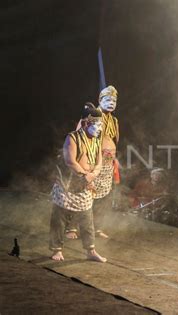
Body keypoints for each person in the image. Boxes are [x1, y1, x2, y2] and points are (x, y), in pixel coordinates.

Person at [49, 104, 107, 262]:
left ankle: (91, 251)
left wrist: (93, 174)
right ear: (87, 123)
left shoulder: (96, 139)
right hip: (67, 185)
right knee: (59, 219)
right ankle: (57, 250)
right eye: (98, 124)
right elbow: (70, 161)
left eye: (101, 125)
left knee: (87, 220)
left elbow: (99, 162)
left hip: (85, 184)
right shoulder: (72, 137)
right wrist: (85, 175)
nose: (100, 128)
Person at [66, 86, 119, 239]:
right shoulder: (91, 115)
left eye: (114, 100)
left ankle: (96, 227)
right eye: (108, 99)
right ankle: (72, 227)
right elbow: (79, 136)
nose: (111, 103)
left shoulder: (114, 120)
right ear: (99, 100)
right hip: (91, 160)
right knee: (84, 192)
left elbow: (115, 140)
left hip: (107, 162)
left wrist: (114, 159)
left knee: (103, 196)